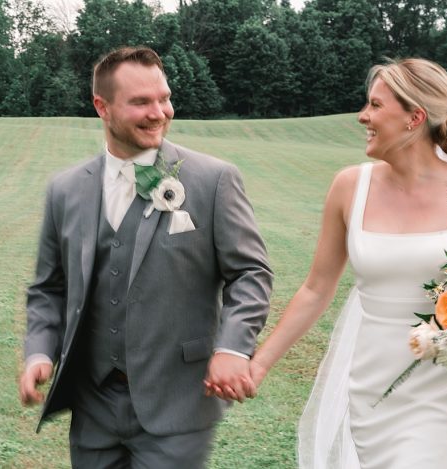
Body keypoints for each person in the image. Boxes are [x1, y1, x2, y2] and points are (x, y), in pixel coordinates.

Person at [227, 58, 447, 468]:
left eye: (375, 106)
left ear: (414, 117)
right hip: (371, 390)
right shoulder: (350, 187)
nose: (363, 116)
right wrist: (258, 365)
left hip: (446, 394)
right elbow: (316, 288)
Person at [17, 46, 273, 466]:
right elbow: (50, 287)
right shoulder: (65, 190)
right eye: (141, 102)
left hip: (178, 401)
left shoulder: (213, 180)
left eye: (164, 98)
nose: (160, 112)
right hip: (93, 405)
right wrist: (40, 353)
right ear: (102, 106)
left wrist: (233, 348)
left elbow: (250, 273)